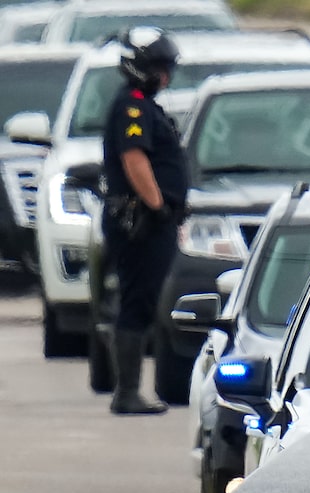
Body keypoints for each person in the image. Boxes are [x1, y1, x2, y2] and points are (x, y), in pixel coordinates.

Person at [101, 26, 188, 415]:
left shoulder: (143, 105)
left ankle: (130, 389)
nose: (166, 77)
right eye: (160, 68)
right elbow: (134, 159)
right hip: (140, 222)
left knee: (142, 299)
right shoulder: (132, 107)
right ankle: (128, 392)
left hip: (151, 220)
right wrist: (158, 206)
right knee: (137, 301)